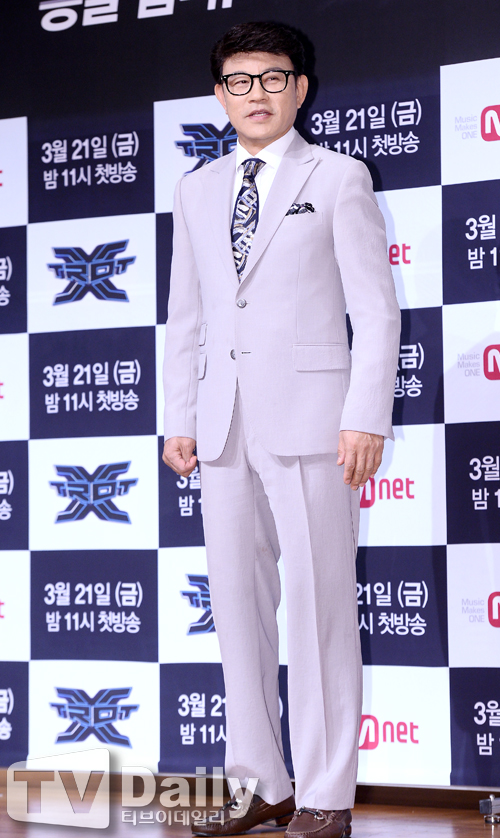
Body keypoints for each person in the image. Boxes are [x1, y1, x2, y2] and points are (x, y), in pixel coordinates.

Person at [162, 20, 400, 838]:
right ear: (219, 94)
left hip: (315, 426)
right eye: (239, 80)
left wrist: (365, 416)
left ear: (300, 88)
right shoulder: (196, 189)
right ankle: (262, 785)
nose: (255, 94)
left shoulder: (338, 176)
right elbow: (186, 315)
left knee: (321, 608)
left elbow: (376, 311)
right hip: (221, 426)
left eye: (272, 78)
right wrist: (179, 417)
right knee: (237, 611)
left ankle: (328, 793)